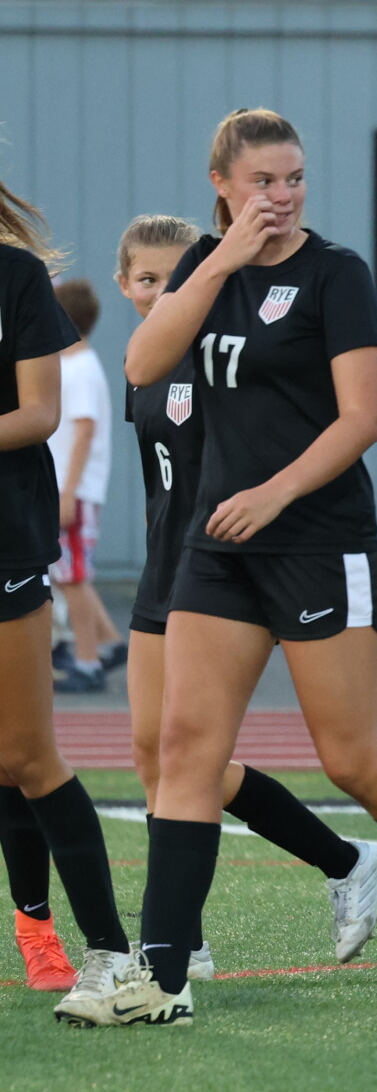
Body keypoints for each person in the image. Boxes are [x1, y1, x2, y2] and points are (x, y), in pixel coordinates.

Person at [68, 109, 377, 1029]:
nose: (281, 197)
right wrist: (222, 262)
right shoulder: (210, 265)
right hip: (219, 549)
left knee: (351, 757)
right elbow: (143, 359)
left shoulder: (337, 274)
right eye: (262, 182)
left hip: (318, 541)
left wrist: (275, 493)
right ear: (223, 186)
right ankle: (162, 974)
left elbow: (362, 418)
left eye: (293, 179)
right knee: (185, 750)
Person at [114, 213, 377, 982]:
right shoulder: (144, 363)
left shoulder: (226, 357)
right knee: (157, 754)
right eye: (148, 280)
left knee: (193, 757)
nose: (165, 291)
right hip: (162, 569)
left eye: (180, 276)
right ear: (125, 284)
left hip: (230, 570)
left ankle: (177, 942)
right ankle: (344, 857)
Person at [0, 179, 139, 1016]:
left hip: (7, 539)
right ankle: (35, 926)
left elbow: (40, 412)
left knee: (25, 755)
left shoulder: (15, 276)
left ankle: (110, 955)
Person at [43, 279, 121, 695]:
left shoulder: (80, 367)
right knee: (70, 574)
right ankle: (105, 642)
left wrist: (68, 492)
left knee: (72, 577)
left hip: (71, 489)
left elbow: (85, 430)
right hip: (67, 488)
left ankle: (88, 663)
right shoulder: (72, 364)